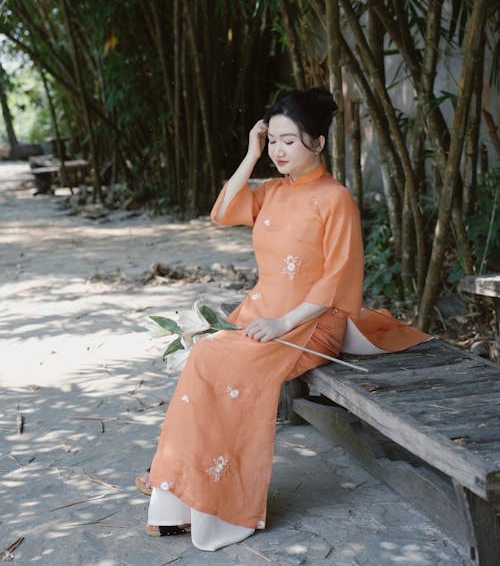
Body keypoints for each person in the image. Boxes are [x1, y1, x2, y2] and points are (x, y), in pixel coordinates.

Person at [142, 87, 428, 551]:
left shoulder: (336, 199)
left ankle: (212, 499)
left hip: (310, 322)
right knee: (205, 355)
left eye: (288, 141)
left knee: (220, 363)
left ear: (318, 142)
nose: (278, 150)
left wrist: (282, 325)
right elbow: (221, 212)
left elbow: (337, 281)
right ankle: (178, 487)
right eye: (272, 139)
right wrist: (251, 155)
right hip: (261, 312)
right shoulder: (272, 189)